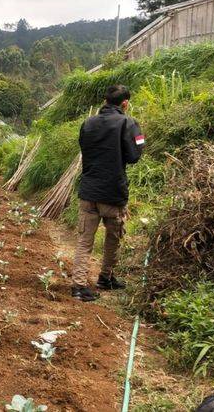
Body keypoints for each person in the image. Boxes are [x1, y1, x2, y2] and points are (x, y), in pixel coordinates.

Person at [71, 85, 144, 302]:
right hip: (113, 192)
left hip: (89, 191)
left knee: (85, 240)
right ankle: (106, 277)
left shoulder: (88, 123)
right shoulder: (127, 123)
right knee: (113, 238)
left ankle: (78, 286)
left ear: (105, 100)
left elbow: (84, 149)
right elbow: (133, 156)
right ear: (124, 103)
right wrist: (140, 139)